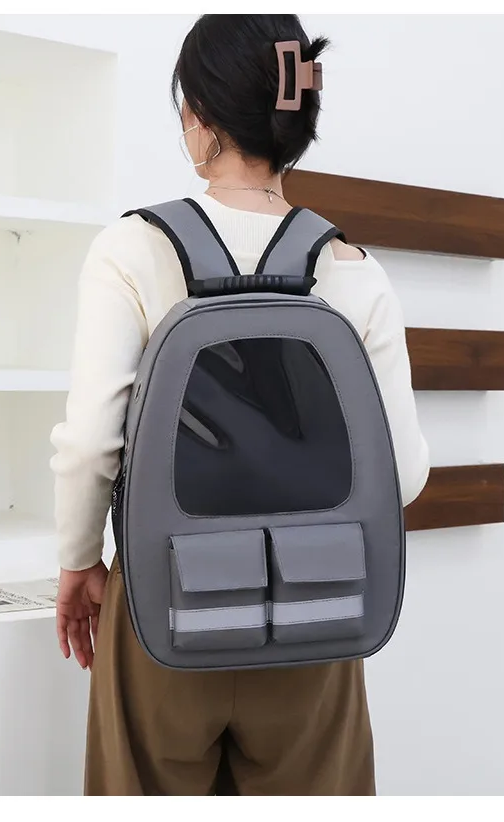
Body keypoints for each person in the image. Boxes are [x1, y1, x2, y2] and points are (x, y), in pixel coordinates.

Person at [50, 14, 430, 796]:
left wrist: (80, 559)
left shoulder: (131, 248)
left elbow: (91, 442)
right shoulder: (355, 268)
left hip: (164, 604)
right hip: (315, 609)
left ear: (200, 119)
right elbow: (403, 474)